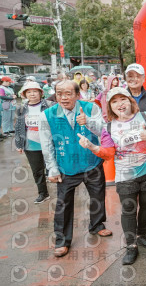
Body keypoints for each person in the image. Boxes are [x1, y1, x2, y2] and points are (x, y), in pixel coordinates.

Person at [78, 87, 146, 265]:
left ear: (130, 101)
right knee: (129, 209)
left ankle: (141, 235)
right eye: (114, 101)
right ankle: (131, 246)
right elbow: (109, 153)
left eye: (123, 99)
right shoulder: (109, 127)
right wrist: (92, 147)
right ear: (110, 106)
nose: (120, 104)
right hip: (125, 175)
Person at [39, 80, 112, 257]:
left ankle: (97, 225)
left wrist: (88, 122)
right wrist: (52, 168)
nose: (63, 98)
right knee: (63, 203)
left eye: (68, 93)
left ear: (78, 95)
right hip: (66, 166)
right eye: (59, 93)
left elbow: (102, 132)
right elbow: (46, 144)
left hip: (91, 162)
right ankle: (62, 240)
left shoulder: (91, 108)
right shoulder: (47, 115)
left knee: (98, 196)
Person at [15, 82, 52, 203]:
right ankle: (43, 193)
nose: (32, 94)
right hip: (31, 145)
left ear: (41, 93)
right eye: (29, 92)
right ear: (25, 94)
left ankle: (64, 192)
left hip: (49, 143)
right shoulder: (22, 108)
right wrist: (19, 144)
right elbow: (19, 127)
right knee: (37, 170)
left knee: (54, 167)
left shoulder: (49, 106)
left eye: (35, 91)